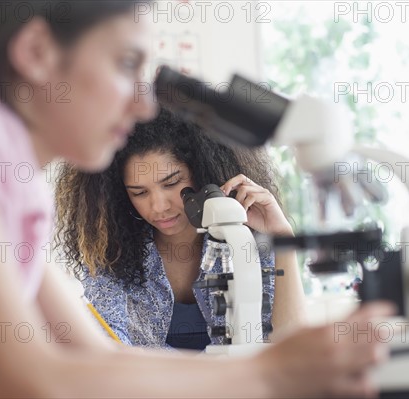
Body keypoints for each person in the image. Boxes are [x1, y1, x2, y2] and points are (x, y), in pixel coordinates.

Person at [0, 1, 395, 398]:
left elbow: (96, 361)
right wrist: (273, 371)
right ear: (36, 52)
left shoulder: (13, 181)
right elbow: (30, 380)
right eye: (127, 63)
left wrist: (284, 368)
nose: (144, 105)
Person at [54, 107, 306, 350]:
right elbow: (109, 354)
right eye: (139, 192)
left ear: (204, 172)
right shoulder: (112, 255)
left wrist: (283, 237)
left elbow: (291, 347)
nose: (159, 206)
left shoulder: (243, 240)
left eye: (172, 183)